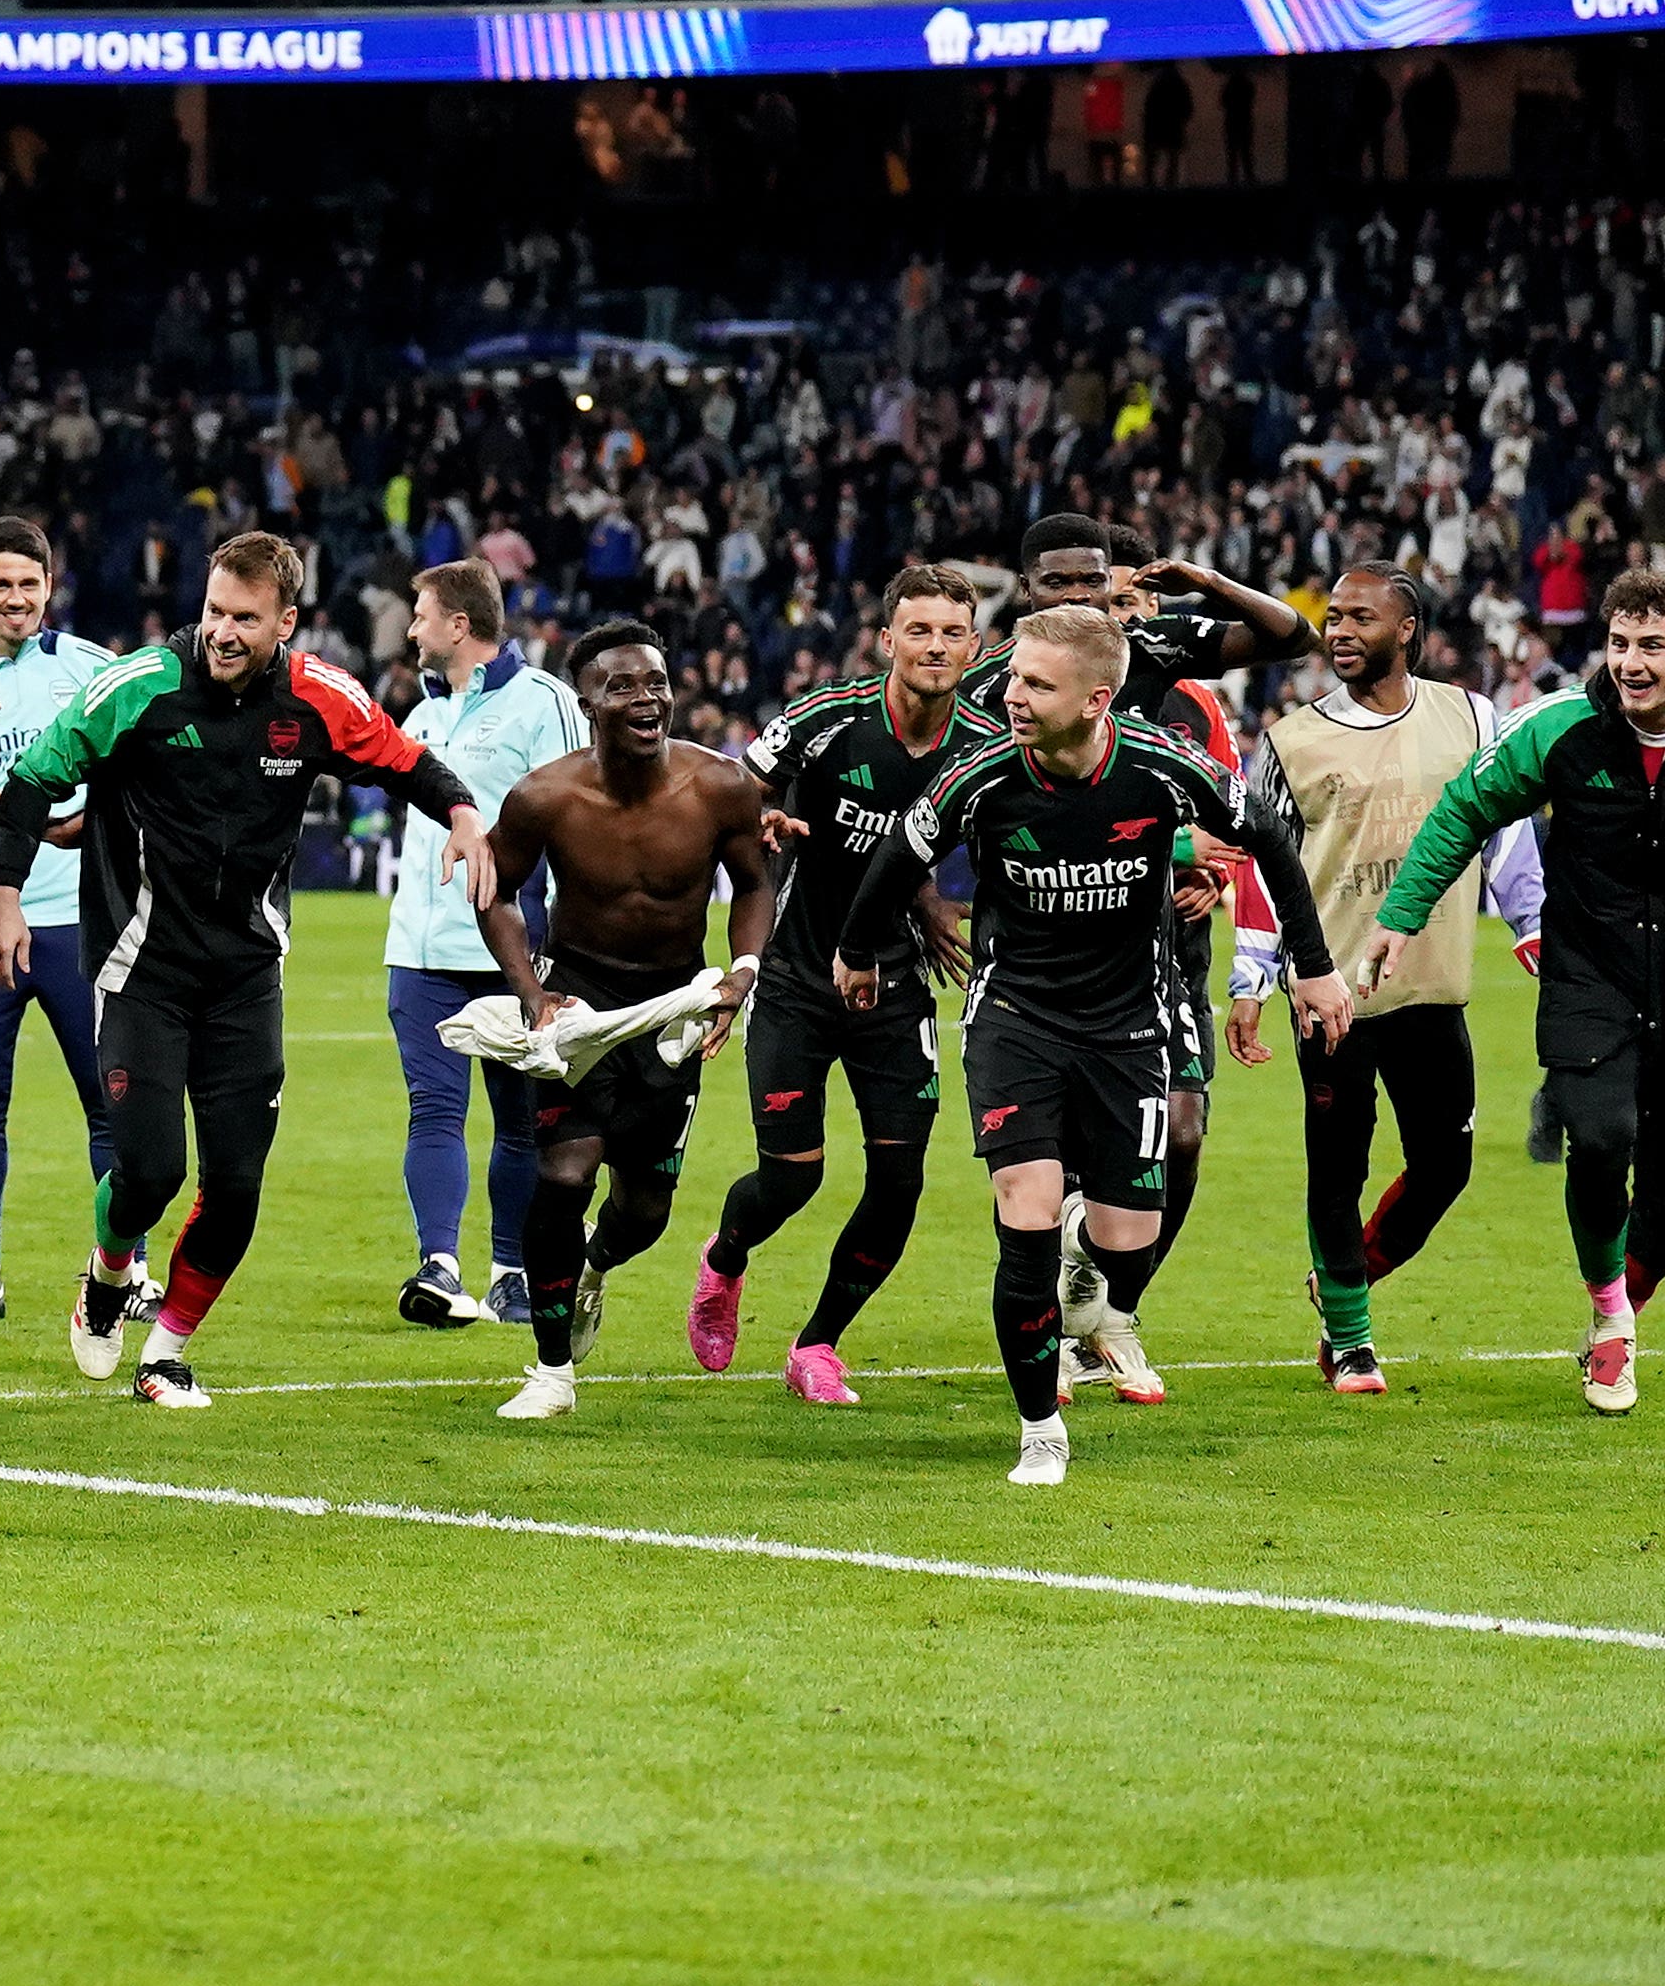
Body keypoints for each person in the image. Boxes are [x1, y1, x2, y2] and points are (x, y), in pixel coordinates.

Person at [0, 530, 490, 1406]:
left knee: (238, 1186)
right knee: (149, 1172)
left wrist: (466, 815)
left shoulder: (320, 697)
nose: (222, 631)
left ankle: (165, 1354)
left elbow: (406, 764)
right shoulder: (137, 686)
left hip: (248, 975)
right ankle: (107, 1271)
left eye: (245, 619)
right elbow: (33, 779)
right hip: (140, 968)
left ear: (285, 623)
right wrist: (4, 896)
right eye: (214, 611)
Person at [837, 604, 1344, 1486]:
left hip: (1129, 1026)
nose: (1012, 695)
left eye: (1037, 684)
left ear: (1097, 699)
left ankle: (1086, 1247)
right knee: (1024, 1211)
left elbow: (1266, 835)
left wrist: (1314, 966)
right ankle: (1040, 1427)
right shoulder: (980, 775)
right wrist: (854, 951)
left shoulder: (1163, 766)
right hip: (1016, 1019)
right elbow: (897, 859)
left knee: (1126, 1241)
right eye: (1014, 677)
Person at [956, 516, 1308, 1358]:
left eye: (1095, 581)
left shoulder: (1154, 654)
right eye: (1060, 584)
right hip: (1041, 954)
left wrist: (1209, 583)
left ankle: (1113, 1309)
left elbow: (1290, 637)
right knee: (1048, 1164)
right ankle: (1049, 1328)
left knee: (1180, 1135)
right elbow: (955, 811)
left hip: (1163, 953)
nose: (1082, 597)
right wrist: (1176, 848)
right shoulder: (995, 691)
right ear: (1026, 593)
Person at [1367, 566, 1665, 1416]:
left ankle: (1622, 1295)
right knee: (1600, 1140)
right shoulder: (1559, 728)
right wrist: (1401, 913)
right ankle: (1611, 1320)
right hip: (1590, 981)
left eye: (1653, 646)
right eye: (1620, 643)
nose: (1632, 662)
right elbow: (1466, 808)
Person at [459, 620, 774, 1419]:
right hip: (580, 1006)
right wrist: (531, 993)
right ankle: (551, 1371)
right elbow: (496, 891)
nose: (646, 698)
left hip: (673, 1013)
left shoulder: (721, 786)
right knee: (563, 1176)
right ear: (588, 704)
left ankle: (594, 1269)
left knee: (645, 1212)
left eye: (656, 682)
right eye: (622, 685)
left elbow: (754, 885)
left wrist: (741, 975)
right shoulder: (544, 796)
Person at [1235, 569, 1515, 1397]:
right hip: (1331, 995)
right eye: (1335, 617)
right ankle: (1351, 1341)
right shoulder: (1290, 741)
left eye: (1362, 616)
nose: (1341, 631)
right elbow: (1264, 868)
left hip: (1434, 986)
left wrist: (1532, 922)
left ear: (1408, 628)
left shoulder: (1470, 716)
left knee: (1446, 1167)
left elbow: (1505, 832)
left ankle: (1343, 1279)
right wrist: (1252, 981)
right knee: (1337, 1169)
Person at [703, 560, 979, 1403]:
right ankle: (724, 1260)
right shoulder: (827, 718)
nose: (936, 647)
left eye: (953, 633)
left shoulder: (984, 744)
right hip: (795, 977)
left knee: (900, 1180)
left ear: (975, 648)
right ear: (887, 639)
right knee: (793, 1178)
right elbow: (729, 793)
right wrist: (762, 816)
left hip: (896, 986)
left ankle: (817, 1344)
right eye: (919, 630)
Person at [380, 563, 582, 1330]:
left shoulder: (545, 703)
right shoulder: (422, 715)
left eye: (422, 615)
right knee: (433, 1109)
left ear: (459, 625)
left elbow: (577, 822)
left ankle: (511, 1274)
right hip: (420, 952)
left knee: (521, 1124)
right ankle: (439, 1267)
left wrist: (560, 948)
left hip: (515, 957)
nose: (412, 629)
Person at [0, 517, 112, 1319]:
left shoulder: (93, 669)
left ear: (51, 586)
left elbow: (137, 766)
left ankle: (128, 1273)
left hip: (79, 920)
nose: (15, 598)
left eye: (28, 583)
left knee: (111, 1100)